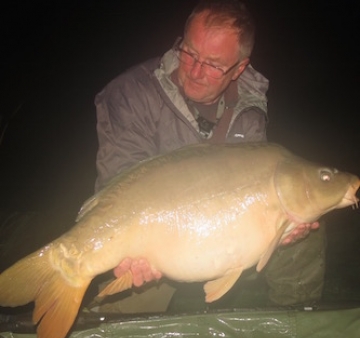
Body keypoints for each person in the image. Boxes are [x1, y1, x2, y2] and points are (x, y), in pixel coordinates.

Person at [92, 0, 325, 312]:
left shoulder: (249, 109)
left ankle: (296, 329)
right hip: (150, 239)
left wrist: (282, 229)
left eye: (214, 65)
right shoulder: (129, 94)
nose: (196, 72)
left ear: (239, 68)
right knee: (115, 312)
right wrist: (131, 251)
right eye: (189, 53)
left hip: (215, 236)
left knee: (306, 232)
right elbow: (118, 182)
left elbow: (255, 190)